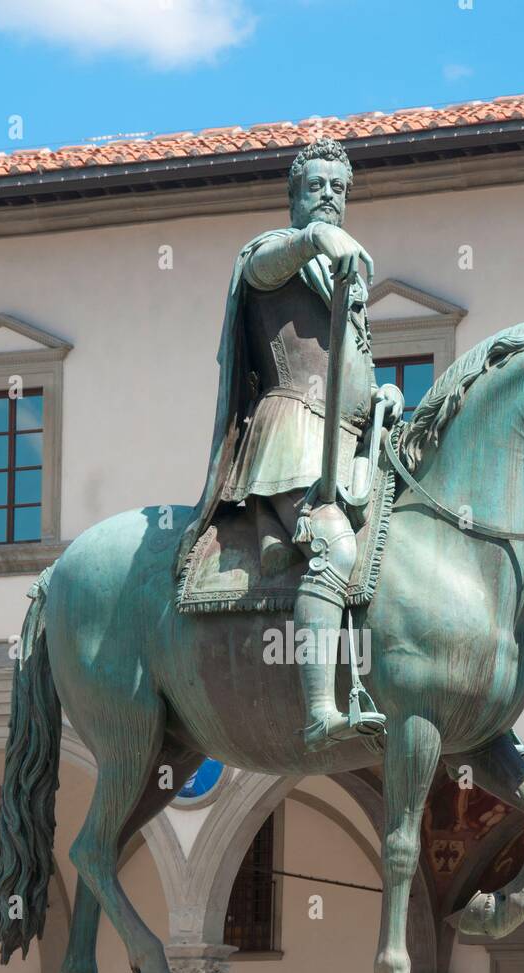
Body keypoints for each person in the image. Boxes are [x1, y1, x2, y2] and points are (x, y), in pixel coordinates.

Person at [174, 138, 404, 750]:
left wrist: (383, 395)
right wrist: (312, 240)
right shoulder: (275, 256)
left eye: (337, 187)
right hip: (294, 432)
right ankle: (318, 710)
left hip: (351, 439)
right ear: (294, 195)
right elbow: (262, 266)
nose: (328, 195)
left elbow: (349, 364)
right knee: (333, 545)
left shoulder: (343, 277)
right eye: (315, 185)